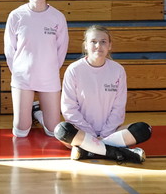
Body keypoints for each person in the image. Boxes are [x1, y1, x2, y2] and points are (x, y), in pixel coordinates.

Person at [54, 25, 152, 164]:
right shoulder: (74, 70)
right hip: (81, 132)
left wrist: (104, 135)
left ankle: (88, 151)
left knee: (144, 129)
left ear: (110, 46)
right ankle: (118, 152)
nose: (98, 46)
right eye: (93, 41)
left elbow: (118, 108)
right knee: (62, 131)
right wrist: (91, 134)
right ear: (86, 45)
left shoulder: (118, 70)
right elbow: (69, 108)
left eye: (103, 41)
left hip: (111, 131)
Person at [4, 0, 69, 138]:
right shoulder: (16, 16)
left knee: (53, 132)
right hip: (23, 78)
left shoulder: (58, 17)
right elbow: (10, 50)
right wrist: (20, 72)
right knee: (21, 132)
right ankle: (31, 113)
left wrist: (49, 69)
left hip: (48, 78)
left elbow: (61, 49)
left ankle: (38, 113)